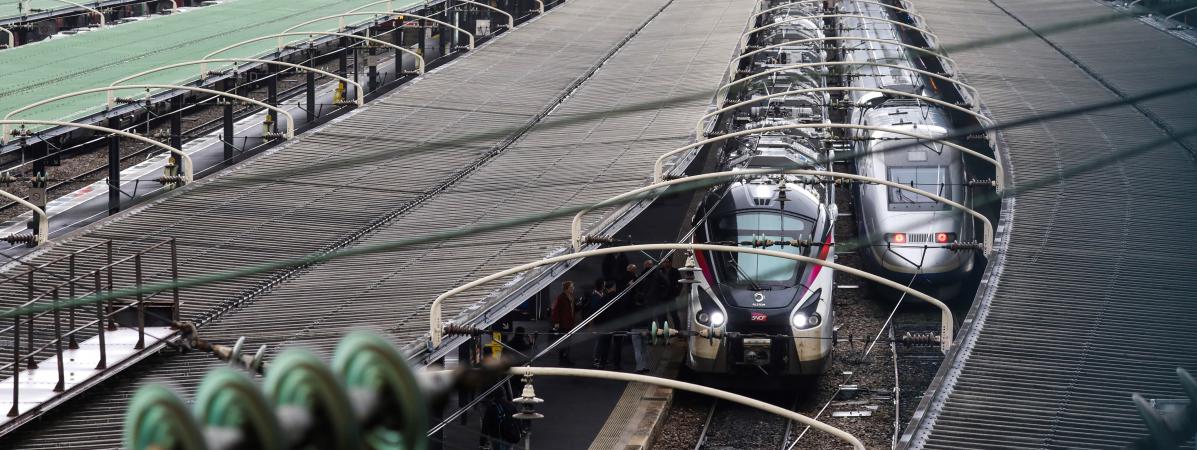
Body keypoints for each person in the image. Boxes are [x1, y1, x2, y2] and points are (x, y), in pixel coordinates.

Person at [550, 280, 577, 365]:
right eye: (571, 287)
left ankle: (566, 359)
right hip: (563, 324)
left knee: (568, 343)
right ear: (566, 288)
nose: (573, 288)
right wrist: (557, 322)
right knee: (564, 343)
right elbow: (555, 311)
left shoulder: (571, 297)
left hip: (569, 323)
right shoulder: (561, 298)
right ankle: (562, 360)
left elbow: (572, 309)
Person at [661, 258, 684, 329]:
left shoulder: (675, 271)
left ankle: (678, 331)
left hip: (671, 295)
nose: (666, 263)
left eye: (667, 262)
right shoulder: (660, 271)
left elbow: (680, 283)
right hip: (662, 296)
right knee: (663, 315)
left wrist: (677, 293)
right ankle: (665, 331)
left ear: (671, 263)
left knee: (674, 314)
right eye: (664, 262)